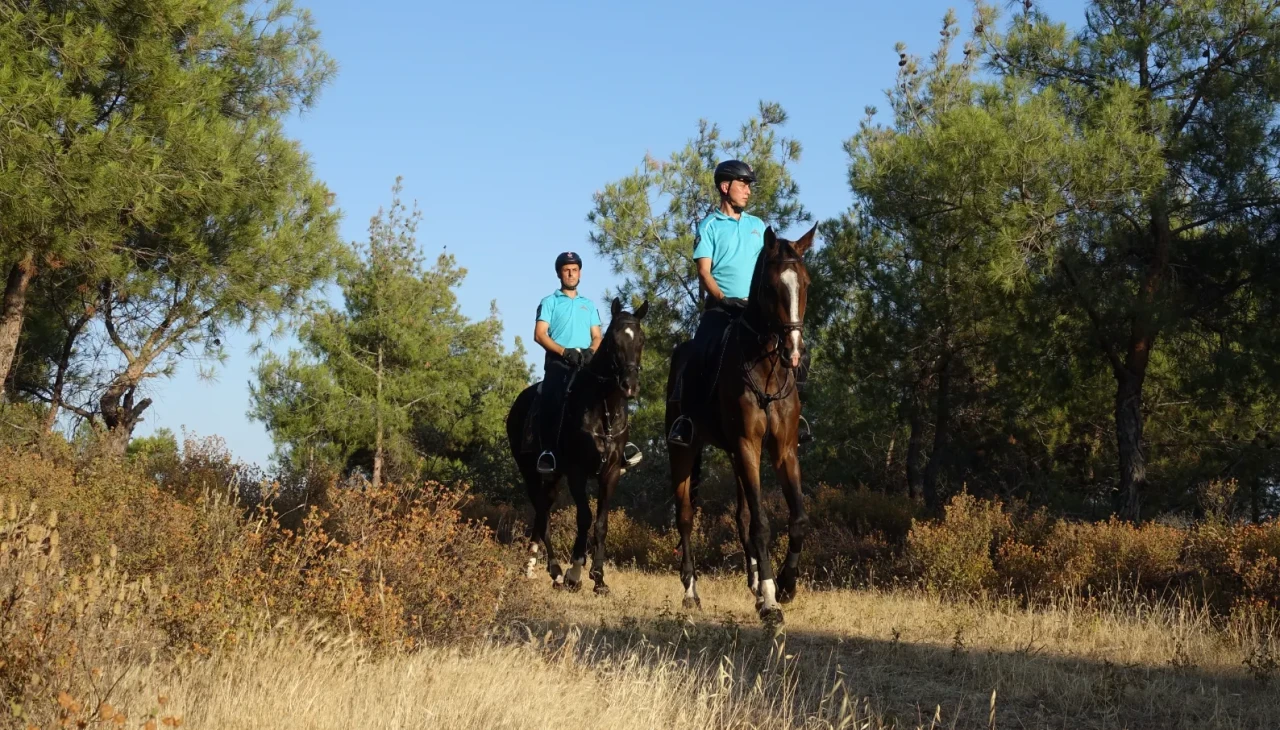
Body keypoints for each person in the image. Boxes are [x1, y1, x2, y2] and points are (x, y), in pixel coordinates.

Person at [667, 160, 812, 446]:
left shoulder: (758, 226)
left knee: (799, 352)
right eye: (743, 184)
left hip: (755, 310)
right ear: (725, 187)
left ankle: (798, 418)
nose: (748, 190)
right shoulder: (709, 226)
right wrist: (723, 299)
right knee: (697, 354)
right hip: (721, 309)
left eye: (749, 185)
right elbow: (704, 272)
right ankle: (687, 422)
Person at [533, 251, 602, 474]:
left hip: (585, 361)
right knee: (551, 394)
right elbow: (540, 335)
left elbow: (598, 336)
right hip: (559, 361)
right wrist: (564, 352)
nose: (571, 274)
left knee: (610, 392)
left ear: (580, 273)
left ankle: (619, 448)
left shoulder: (589, 305)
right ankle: (548, 451)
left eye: (574, 270)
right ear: (559, 274)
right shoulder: (549, 302)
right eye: (566, 270)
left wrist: (591, 351)